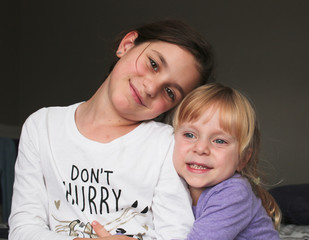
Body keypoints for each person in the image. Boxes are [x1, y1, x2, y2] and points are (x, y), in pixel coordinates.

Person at [8, 19, 214, 240]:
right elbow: (23, 228)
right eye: (153, 64)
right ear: (126, 45)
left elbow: (177, 234)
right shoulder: (42, 126)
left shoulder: (167, 145)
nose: (152, 87)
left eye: (170, 92)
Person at [172, 83, 281, 239]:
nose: (201, 148)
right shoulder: (169, 180)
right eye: (190, 135)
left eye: (219, 141)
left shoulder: (234, 192)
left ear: (242, 159)